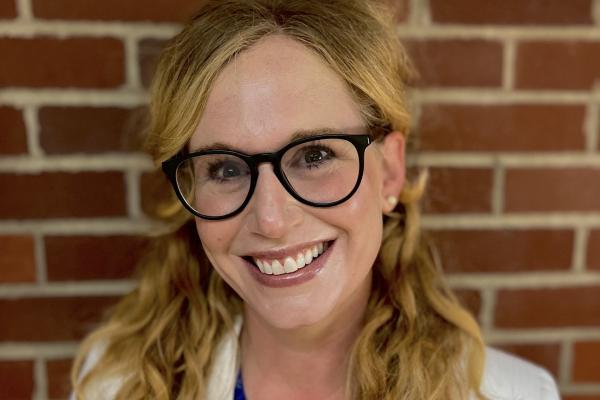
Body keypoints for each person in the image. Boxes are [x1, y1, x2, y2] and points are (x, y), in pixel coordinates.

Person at [71, 1, 560, 399]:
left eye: (315, 155)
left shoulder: (512, 394)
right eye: (225, 168)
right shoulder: (116, 385)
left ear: (388, 171)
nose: (271, 219)